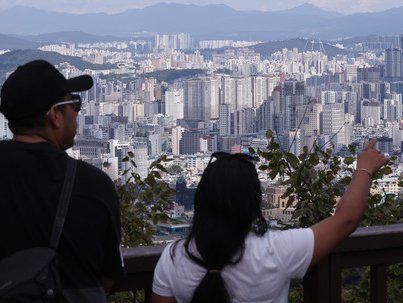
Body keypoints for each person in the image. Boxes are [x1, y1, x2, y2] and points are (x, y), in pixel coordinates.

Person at [151, 141, 389, 303]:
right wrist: (364, 169)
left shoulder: (174, 257)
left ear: (201, 199)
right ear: (253, 203)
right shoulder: (276, 250)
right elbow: (345, 220)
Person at [0, 60, 125, 302]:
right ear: (55, 115)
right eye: (74, 103)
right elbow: (109, 278)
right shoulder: (94, 185)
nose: (77, 112)